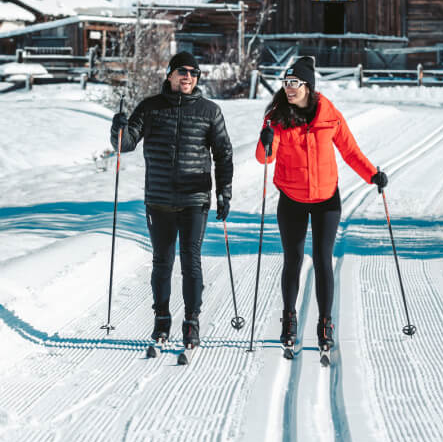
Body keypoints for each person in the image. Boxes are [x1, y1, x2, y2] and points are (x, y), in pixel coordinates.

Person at [255, 56, 387, 352]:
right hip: (292, 198)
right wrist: (265, 139)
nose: (289, 88)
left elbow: (350, 151)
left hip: (327, 198)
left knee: (323, 259)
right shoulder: (276, 117)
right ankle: (289, 319)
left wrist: (372, 175)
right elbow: (265, 159)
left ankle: (325, 323)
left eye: (294, 83)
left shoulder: (329, 115)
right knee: (293, 259)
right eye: (286, 83)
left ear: (308, 86)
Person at [111, 51, 233, 350]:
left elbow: (223, 153)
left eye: (193, 72)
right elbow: (125, 145)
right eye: (182, 71)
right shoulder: (151, 108)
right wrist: (118, 127)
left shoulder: (210, 111)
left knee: (191, 261)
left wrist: (224, 191)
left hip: (195, 198)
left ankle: (191, 322)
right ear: (169, 75)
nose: (188, 76)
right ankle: (161, 319)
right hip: (159, 198)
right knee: (162, 262)